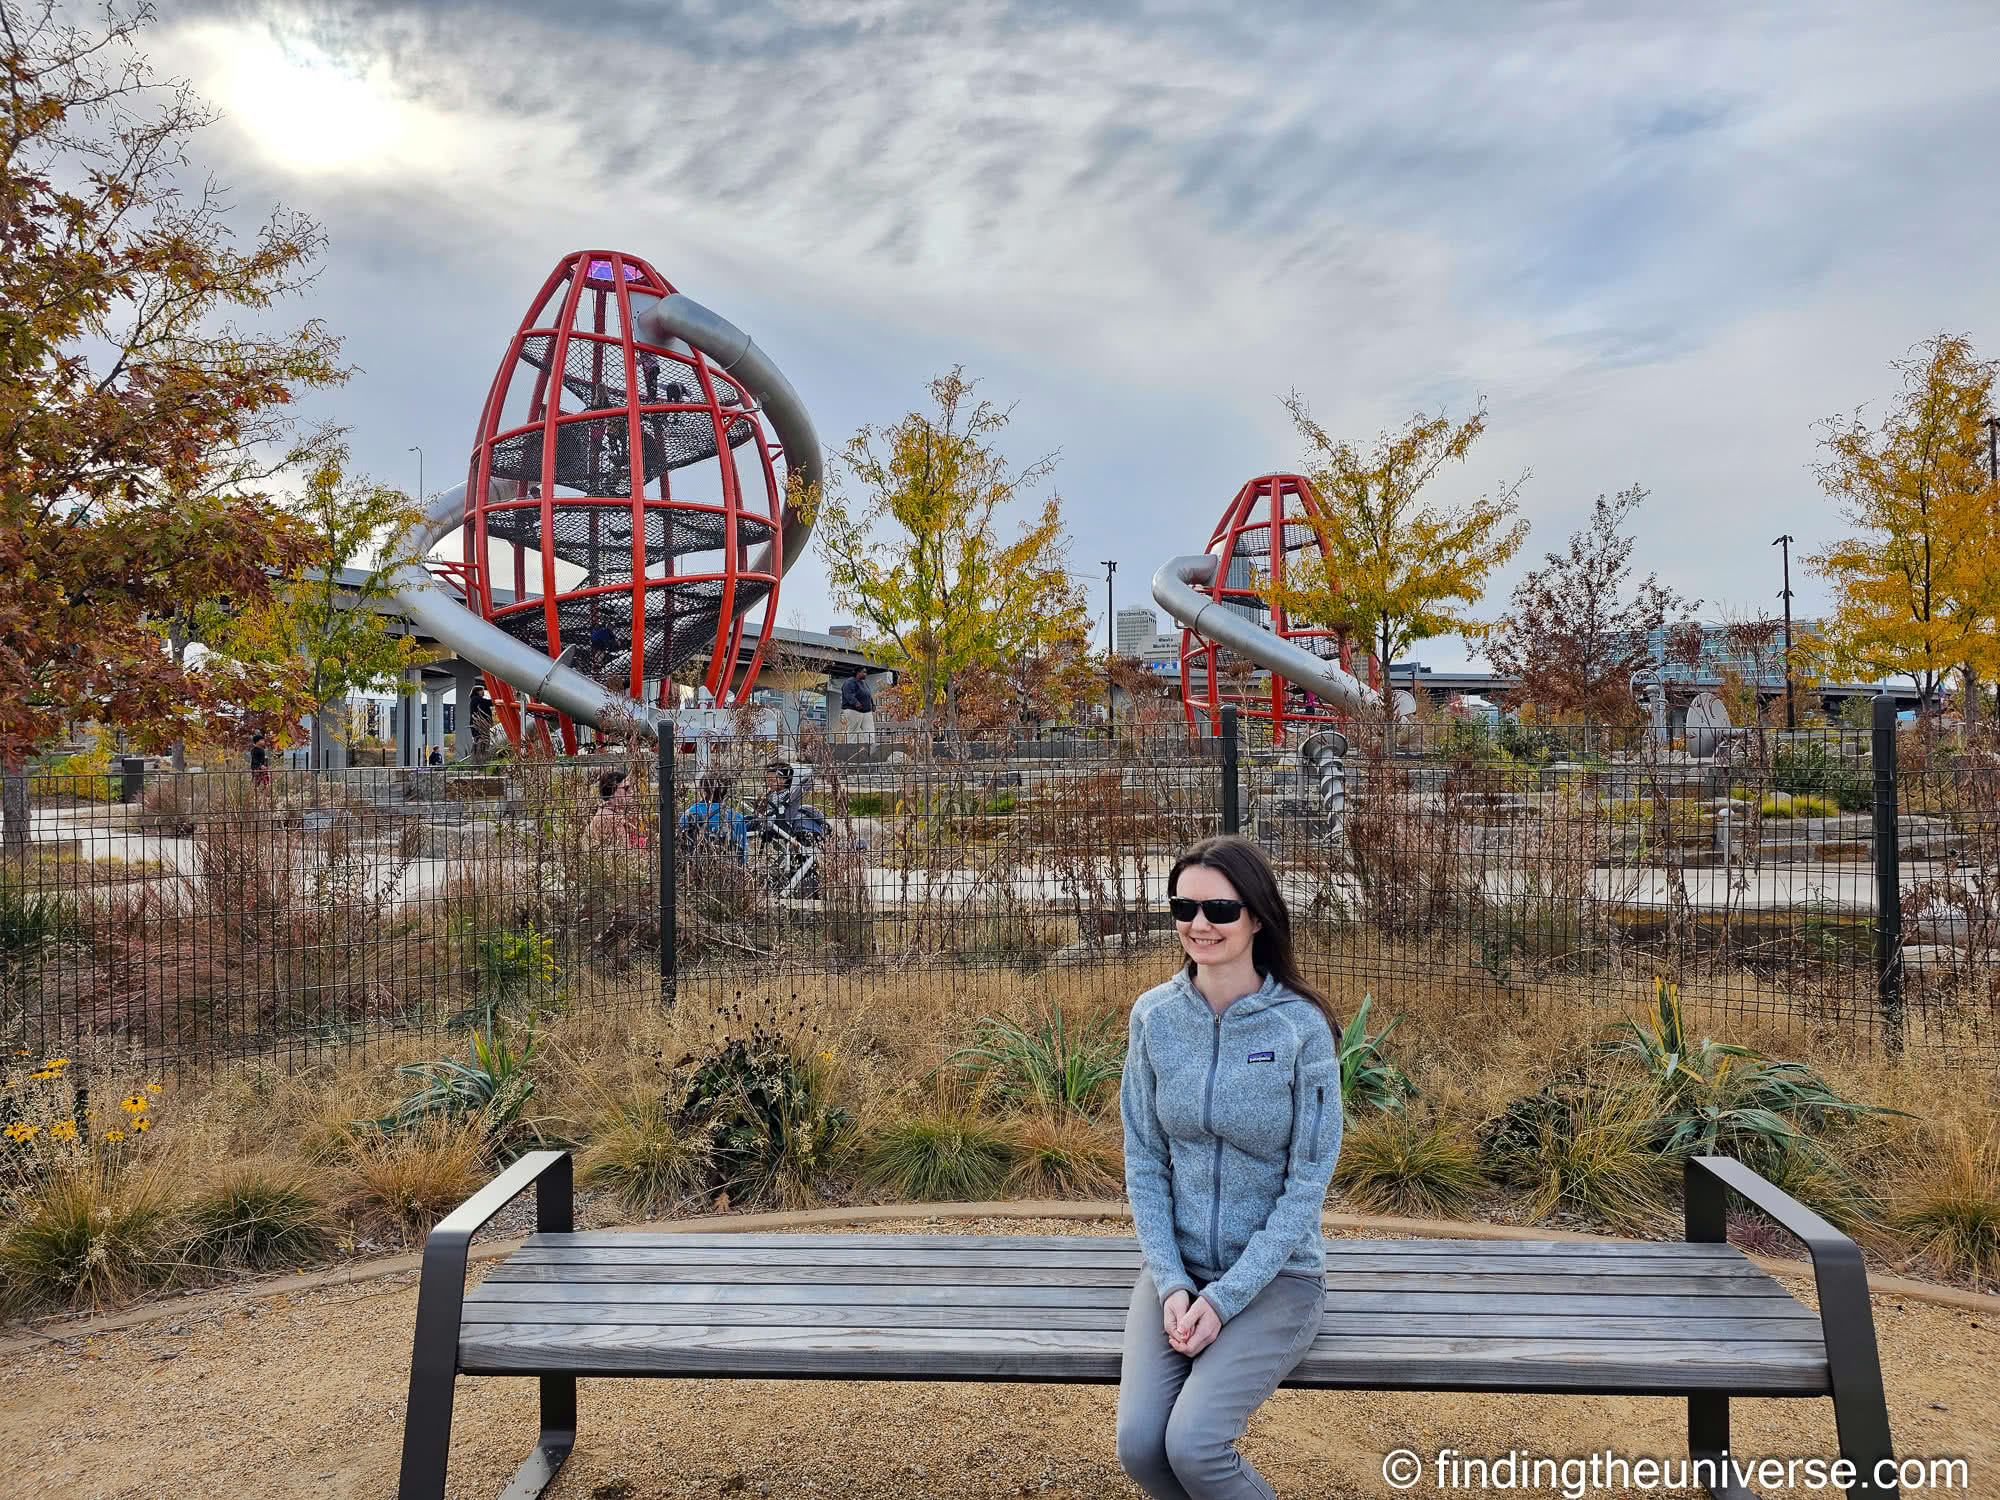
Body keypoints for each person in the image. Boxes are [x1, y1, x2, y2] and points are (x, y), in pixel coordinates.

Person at [1116, 834, 1344, 1500]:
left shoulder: (1299, 1029)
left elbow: (1307, 1184)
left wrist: (1223, 1299)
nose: (1198, 925)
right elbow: (1145, 1158)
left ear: (1256, 916)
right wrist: (1173, 1283)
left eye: (1218, 910)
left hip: (1278, 1280)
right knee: (1141, 1449)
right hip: (1178, 1272)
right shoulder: (1154, 1018)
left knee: (1194, 1446)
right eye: (1183, 907)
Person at [678, 773, 748, 864]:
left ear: (703, 790)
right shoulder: (736, 817)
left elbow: (682, 844)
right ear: (725, 791)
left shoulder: (688, 815)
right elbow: (743, 853)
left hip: (696, 867)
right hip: (728, 868)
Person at [589, 769, 650, 848]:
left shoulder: (606, 813)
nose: (631, 792)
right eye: (626, 788)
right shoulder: (609, 819)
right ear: (612, 790)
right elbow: (626, 854)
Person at [839, 666, 876, 743]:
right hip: (854, 710)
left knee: (870, 730)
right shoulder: (849, 682)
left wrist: (872, 704)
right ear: (858, 673)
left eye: (866, 672)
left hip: (866, 711)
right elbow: (848, 694)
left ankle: (871, 748)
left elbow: (868, 694)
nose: (866, 674)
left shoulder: (864, 683)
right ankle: (852, 748)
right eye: (864, 672)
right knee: (853, 731)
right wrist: (856, 703)